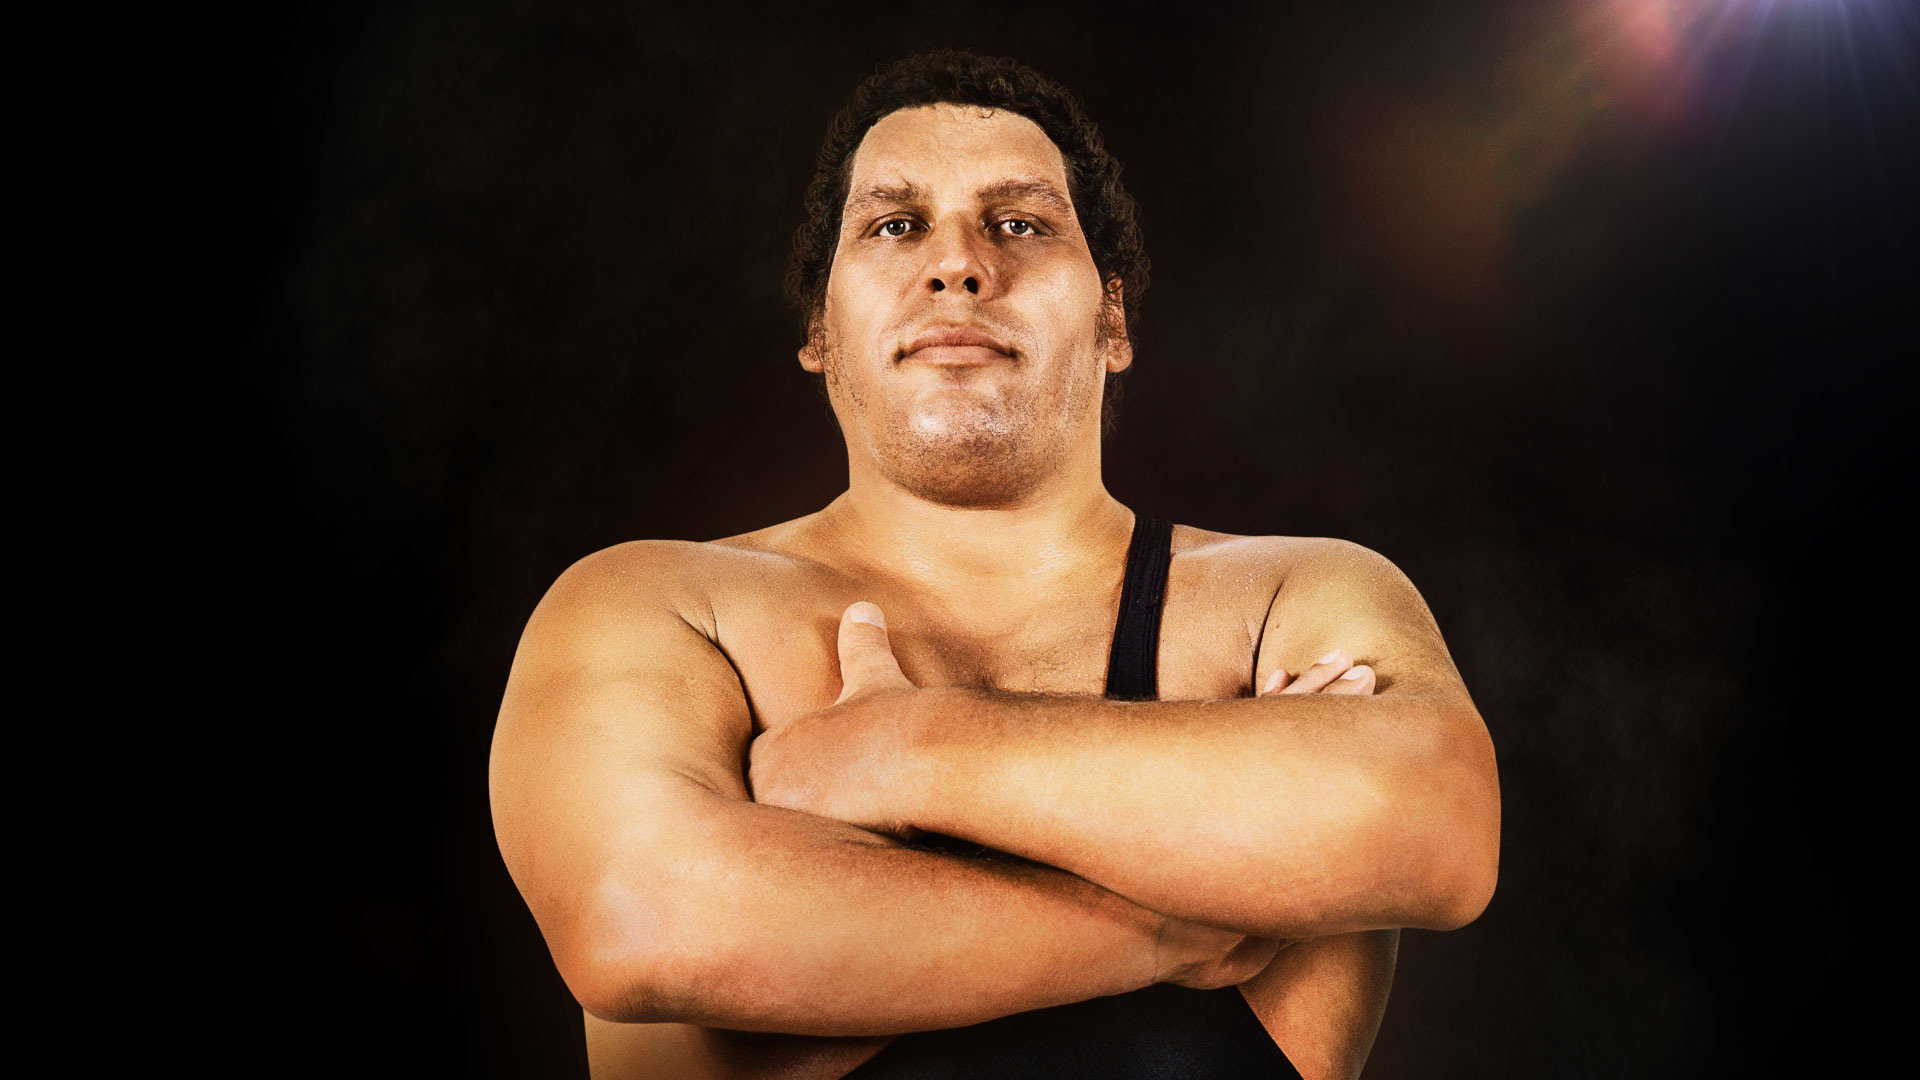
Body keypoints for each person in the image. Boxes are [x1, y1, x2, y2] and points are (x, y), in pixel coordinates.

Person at [490, 50, 1500, 1080]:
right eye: (895, 225)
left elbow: (1438, 823)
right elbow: (640, 920)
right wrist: (1173, 925)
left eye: (1019, 223)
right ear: (819, 327)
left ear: (1112, 319)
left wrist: (906, 750)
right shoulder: (656, 605)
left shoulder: (1282, 598)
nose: (960, 266)